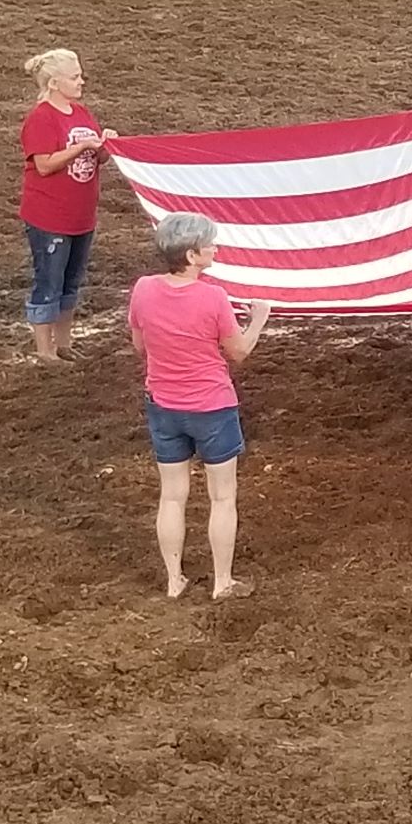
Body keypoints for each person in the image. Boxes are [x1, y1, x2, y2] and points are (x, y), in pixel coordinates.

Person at [129, 213, 272, 601]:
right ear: (192, 255)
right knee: (222, 497)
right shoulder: (212, 297)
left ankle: (175, 579)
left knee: (172, 495)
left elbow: (140, 347)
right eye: (209, 244)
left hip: (163, 404)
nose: (215, 248)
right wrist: (258, 319)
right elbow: (239, 351)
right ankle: (222, 582)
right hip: (212, 408)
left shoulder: (143, 289)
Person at [19, 48, 117, 364]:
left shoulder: (81, 112)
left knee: (70, 283)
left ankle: (63, 343)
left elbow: (95, 157)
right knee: (49, 281)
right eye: (75, 77)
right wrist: (83, 147)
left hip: (80, 215)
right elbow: (44, 165)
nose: (82, 81)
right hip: (50, 216)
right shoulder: (41, 118)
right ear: (54, 82)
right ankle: (44, 350)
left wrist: (106, 146)